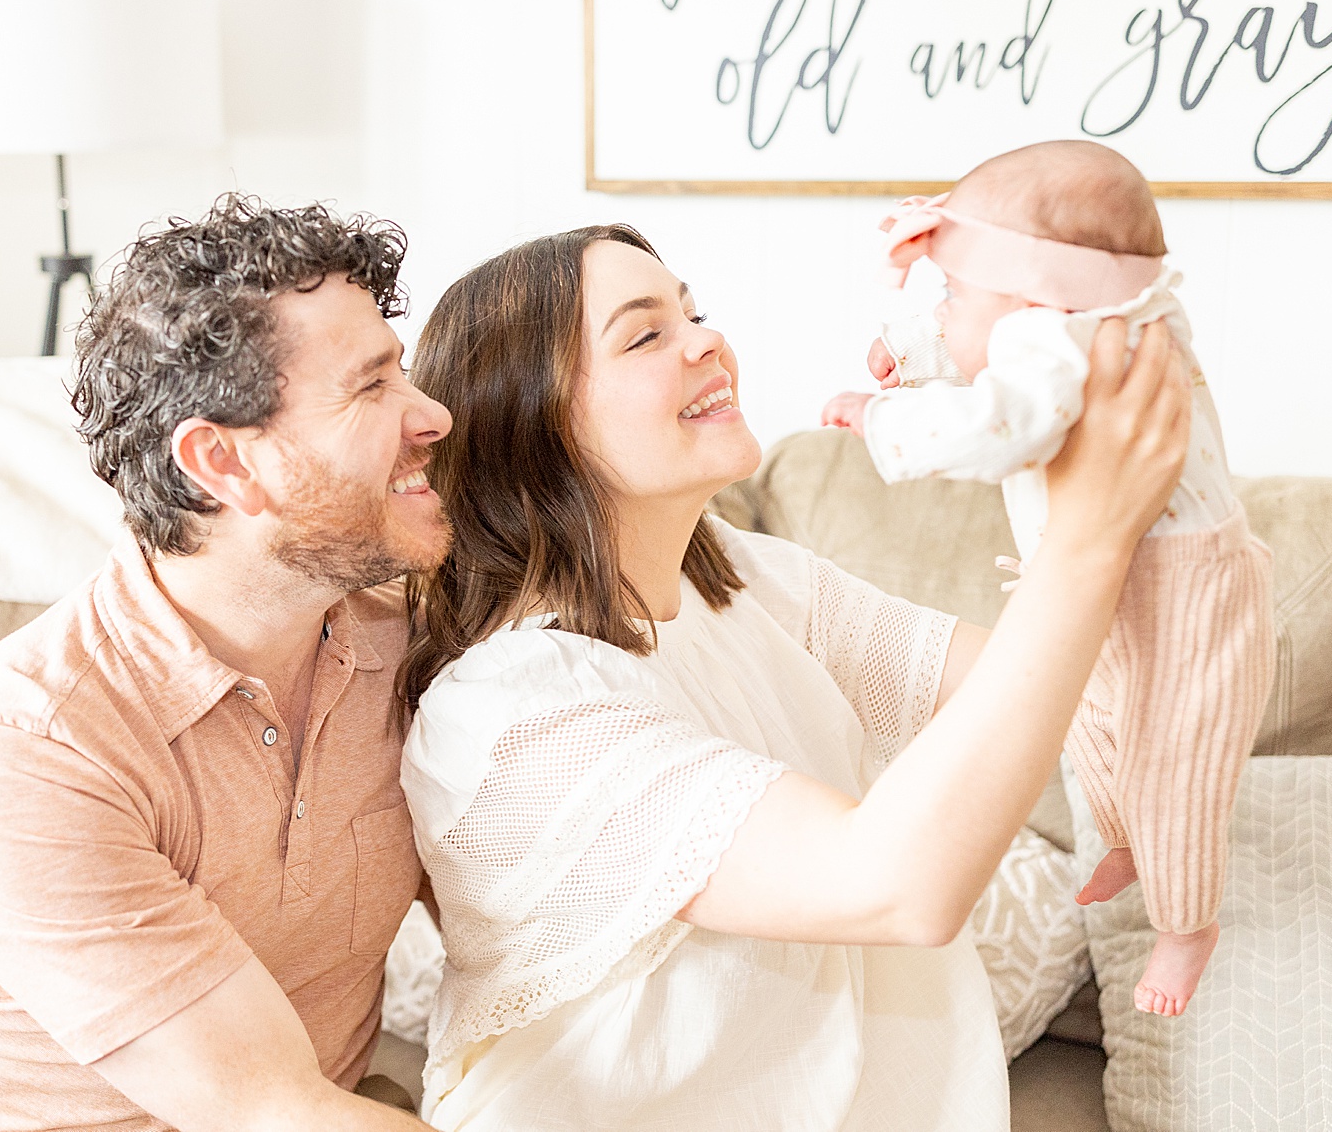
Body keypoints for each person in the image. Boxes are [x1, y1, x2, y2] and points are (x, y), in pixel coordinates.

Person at [393, 222, 1190, 1130]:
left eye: (695, 312)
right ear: (530, 421)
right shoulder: (509, 711)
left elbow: (1041, 683)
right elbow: (896, 882)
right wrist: (1085, 545)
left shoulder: (742, 578)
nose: (707, 341)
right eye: (646, 334)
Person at [0, 195, 449, 1132]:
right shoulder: (27, 748)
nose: (431, 412)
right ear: (223, 464)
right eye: (371, 386)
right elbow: (270, 1107)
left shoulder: (412, 653)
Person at [822, 141, 1274, 1016]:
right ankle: (1125, 840)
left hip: (1185, 588)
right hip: (1110, 569)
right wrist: (914, 351)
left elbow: (1004, 422)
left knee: (1173, 752)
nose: (943, 308)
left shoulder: (1059, 338)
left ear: (1036, 294)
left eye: (949, 293)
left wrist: (890, 415)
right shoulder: (1094, 321)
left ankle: (1187, 925)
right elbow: (998, 349)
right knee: (1090, 716)